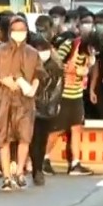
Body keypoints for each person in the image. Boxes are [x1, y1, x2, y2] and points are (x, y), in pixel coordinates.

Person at [0, 16, 42, 191]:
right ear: (10, 32)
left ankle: (19, 173)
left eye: (22, 29)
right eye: (15, 30)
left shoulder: (33, 53)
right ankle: (7, 177)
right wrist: (3, 81)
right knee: (4, 139)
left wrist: (33, 87)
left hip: (25, 101)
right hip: (3, 100)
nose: (19, 33)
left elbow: (39, 74)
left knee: (24, 137)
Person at [44, 15, 95, 176]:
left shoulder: (90, 52)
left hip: (77, 94)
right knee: (57, 129)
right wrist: (74, 70)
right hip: (64, 94)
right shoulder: (69, 46)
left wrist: (86, 71)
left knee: (77, 128)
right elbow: (56, 65)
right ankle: (43, 159)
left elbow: (91, 66)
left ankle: (75, 163)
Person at [28, 35, 63, 186]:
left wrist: (51, 107)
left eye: (44, 49)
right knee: (30, 139)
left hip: (46, 109)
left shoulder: (56, 67)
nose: (42, 52)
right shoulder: (28, 65)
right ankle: (32, 167)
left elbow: (58, 90)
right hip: (29, 108)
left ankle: (37, 169)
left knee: (40, 140)